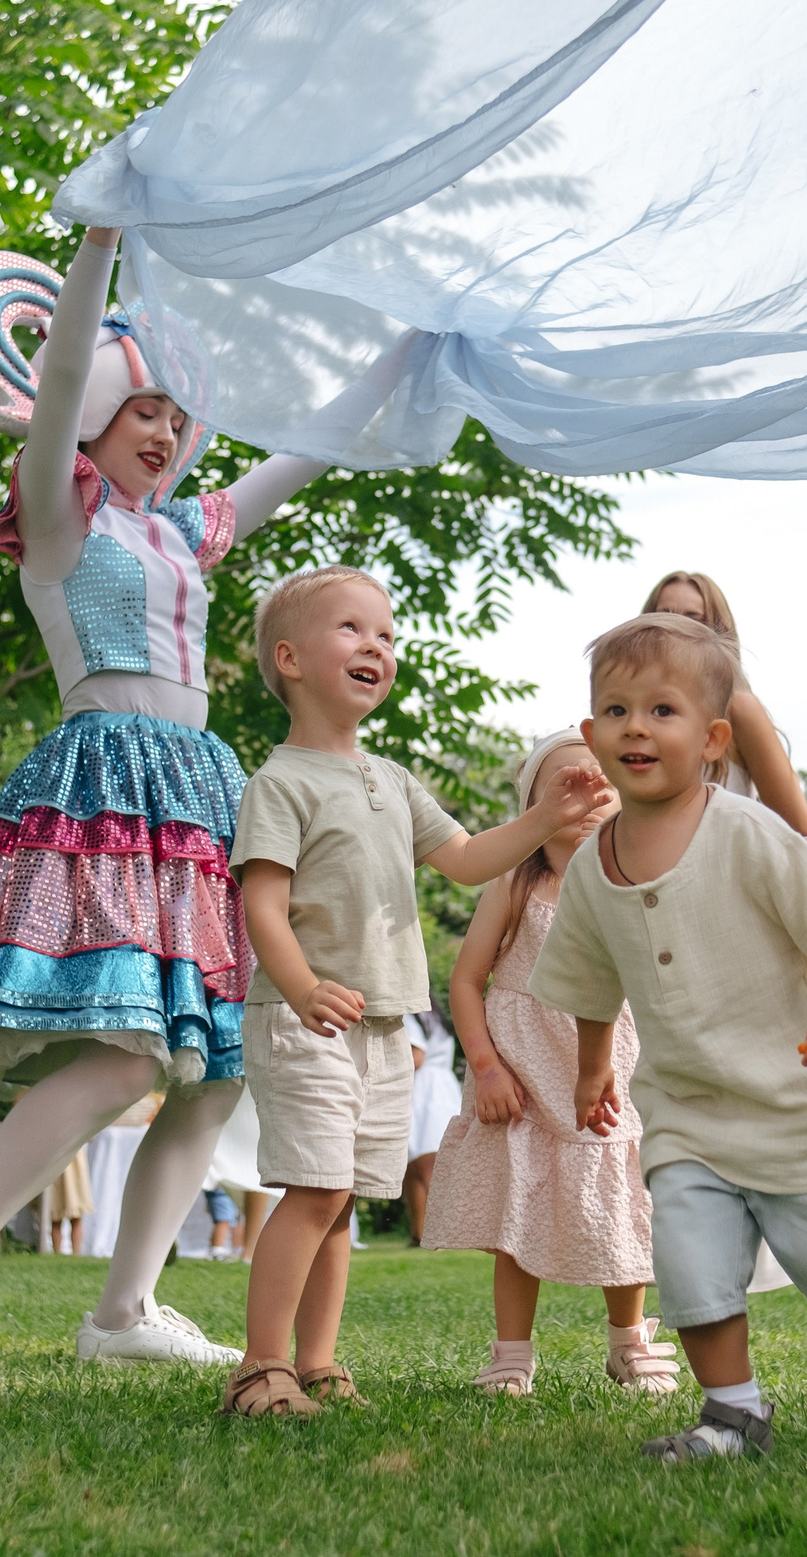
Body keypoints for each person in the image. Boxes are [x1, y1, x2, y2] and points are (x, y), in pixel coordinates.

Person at [0, 228, 330, 1385]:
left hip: (197, 792)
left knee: (216, 1060)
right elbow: (66, 375)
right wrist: (100, 246)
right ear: (93, 423)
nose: (167, 433)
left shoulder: (177, 532)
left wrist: (410, 361)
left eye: (177, 419)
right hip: (107, 786)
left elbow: (304, 457)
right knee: (133, 1053)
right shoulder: (59, 515)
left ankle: (126, 1306)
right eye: (146, 413)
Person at [531, 614, 807, 1461]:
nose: (636, 728)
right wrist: (590, 1070)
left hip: (796, 1098)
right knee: (690, 1262)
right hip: (686, 1109)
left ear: (714, 737)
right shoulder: (590, 865)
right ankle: (733, 1414)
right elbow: (586, 977)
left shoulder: (750, 832)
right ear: (589, 734)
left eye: (662, 710)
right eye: (616, 711)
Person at [216, 566, 608, 1418]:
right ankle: (259, 1366)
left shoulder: (391, 779)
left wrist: (546, 819)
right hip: (305, 1018)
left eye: (386, 636)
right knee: (313, 1190)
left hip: (388, 1025)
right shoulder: (280, 781)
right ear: (288, 658)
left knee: (343, 1197)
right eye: (353, 630)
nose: (377, 647)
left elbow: (468, 859)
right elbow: (263, 906)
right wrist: (306, 985)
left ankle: (316, 1362)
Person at [420, 727, 677, 1397]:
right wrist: (485, 1066)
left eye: (600, 777)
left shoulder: (636, 883)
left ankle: (629, 1340)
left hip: (611, 1075)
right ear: (533, 805)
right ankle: (511, 1354)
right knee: (518, 1216)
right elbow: (466, 981)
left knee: (621, 1207)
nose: (585, 790)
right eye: (564, 780)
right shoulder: (514, 880)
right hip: (526, 1079)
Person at [641, 570, 807, 834]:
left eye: (693, 618)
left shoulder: (739, 709)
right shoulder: (629, 715)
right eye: (665, 615)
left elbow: (798, 828)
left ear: (716, 630)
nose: (676, 627)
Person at [399, 1005, 460, 1244]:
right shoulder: (434, 1015)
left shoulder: (408, 1014)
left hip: (425, 1092)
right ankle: (420, 1233)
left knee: (425, 1167)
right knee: (414, 1169)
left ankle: (439, 1233)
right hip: (441, 1088)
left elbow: (416, 1058)